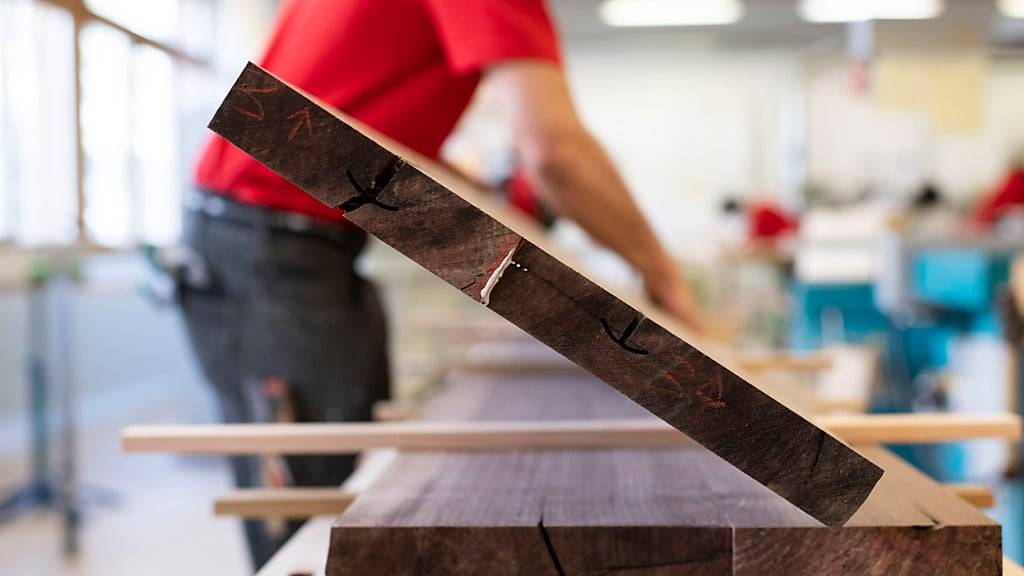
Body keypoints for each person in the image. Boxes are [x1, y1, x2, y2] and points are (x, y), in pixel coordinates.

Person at [183, 0, 701, 567]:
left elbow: (378, 142)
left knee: (343, 480)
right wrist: (663, 275)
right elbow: (557, 154)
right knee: (317, 517)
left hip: (286, 241)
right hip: (266, 244)